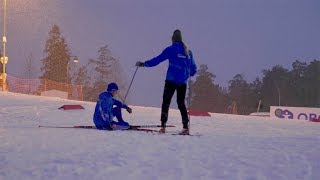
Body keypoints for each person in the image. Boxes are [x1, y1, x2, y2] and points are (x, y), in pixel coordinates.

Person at [135, 29, 197, 135]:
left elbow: (157, 60)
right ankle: (185, 127)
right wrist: (188, 74)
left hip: (171, 80)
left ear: (173, 39)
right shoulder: (188, 52)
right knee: (181, 103)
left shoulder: (170, 49)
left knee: (166, 102)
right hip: (182, 82)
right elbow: (194, 68)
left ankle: (163, 127)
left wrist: (144, 64)